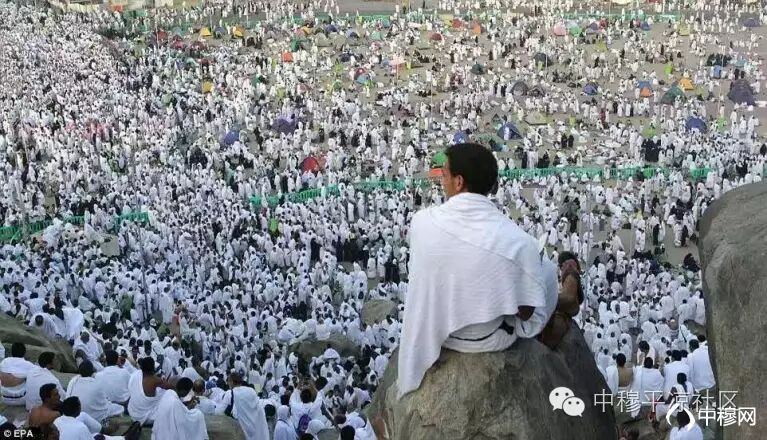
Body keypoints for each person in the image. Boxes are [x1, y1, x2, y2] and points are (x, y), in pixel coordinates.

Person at [398, 143, 547, 397]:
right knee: (548, 273)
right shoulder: (519, 242)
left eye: (445, 174)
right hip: (488, 337)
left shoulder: (422, 222)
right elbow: (526, 312)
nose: (442, 181)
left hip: (440, 335)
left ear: (459, 182)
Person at [539, 251, 584, 349]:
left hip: (560, 320)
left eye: (560, 266)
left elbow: (569, 298)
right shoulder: (569, 275)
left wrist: (545, 299)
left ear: (565, 264)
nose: (560, 268)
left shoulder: (571, 274)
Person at [214, 372, 269, 440]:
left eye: (228, 381)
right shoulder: (251, 390)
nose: (227, 383)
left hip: (242, 430)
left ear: (232, 382)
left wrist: (213, 406)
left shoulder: (230, 393)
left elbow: (220, 411)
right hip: (255, 428)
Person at [128, 357, 171, 425]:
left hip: (133, 414)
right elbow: (170, 387)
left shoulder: (135, 374)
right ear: (153, 368)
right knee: (169, 394)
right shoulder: (155, 379)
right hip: (148, 418)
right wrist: (163, 379)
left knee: (159, 390)